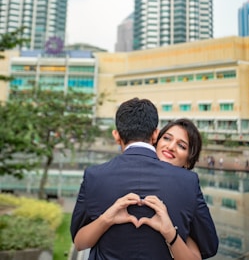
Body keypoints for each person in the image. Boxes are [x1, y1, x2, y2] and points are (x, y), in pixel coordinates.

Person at [70, 98, 218, 260]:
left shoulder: (95, 176)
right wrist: (106, 219)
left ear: (116, 135)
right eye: (167, 138)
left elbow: (78, 239)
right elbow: (209, 246)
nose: (170, 147)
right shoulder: (188, 183)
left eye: (182, 146)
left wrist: (171, 232)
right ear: (155, 135)